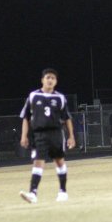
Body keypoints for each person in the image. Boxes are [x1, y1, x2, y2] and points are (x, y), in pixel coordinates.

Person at [19, 69, 76, 204]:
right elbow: (26, 118)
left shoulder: (60, 98)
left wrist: (71, 136)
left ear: (56, 82)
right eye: (47, 77)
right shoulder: (33, 96)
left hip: (56, 133)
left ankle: (63, 191)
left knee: (59, 161)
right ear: (42, 80)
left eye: (53, 78)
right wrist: (24, 136)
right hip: (39, 134)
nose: (50, 80)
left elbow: (67, 118)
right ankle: (33, 193)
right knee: (38, 161)